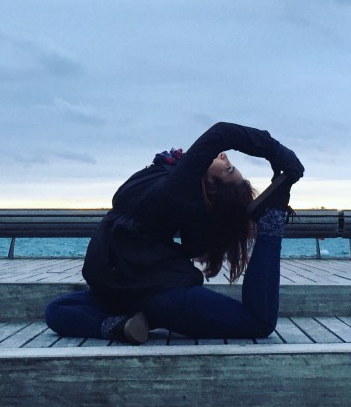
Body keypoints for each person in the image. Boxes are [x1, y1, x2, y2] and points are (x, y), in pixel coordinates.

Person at [44, 122, 304, 344]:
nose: (224, 156)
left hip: (155, 294)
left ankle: (271, 220)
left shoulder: (179, 187)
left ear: (211, 188)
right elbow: (192, 245)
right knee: (56, 309)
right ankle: (121, 326)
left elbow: (221, 133)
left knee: (259, 322)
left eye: (228, 168)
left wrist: (276, 151)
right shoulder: (169, 179)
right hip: (125, 291)